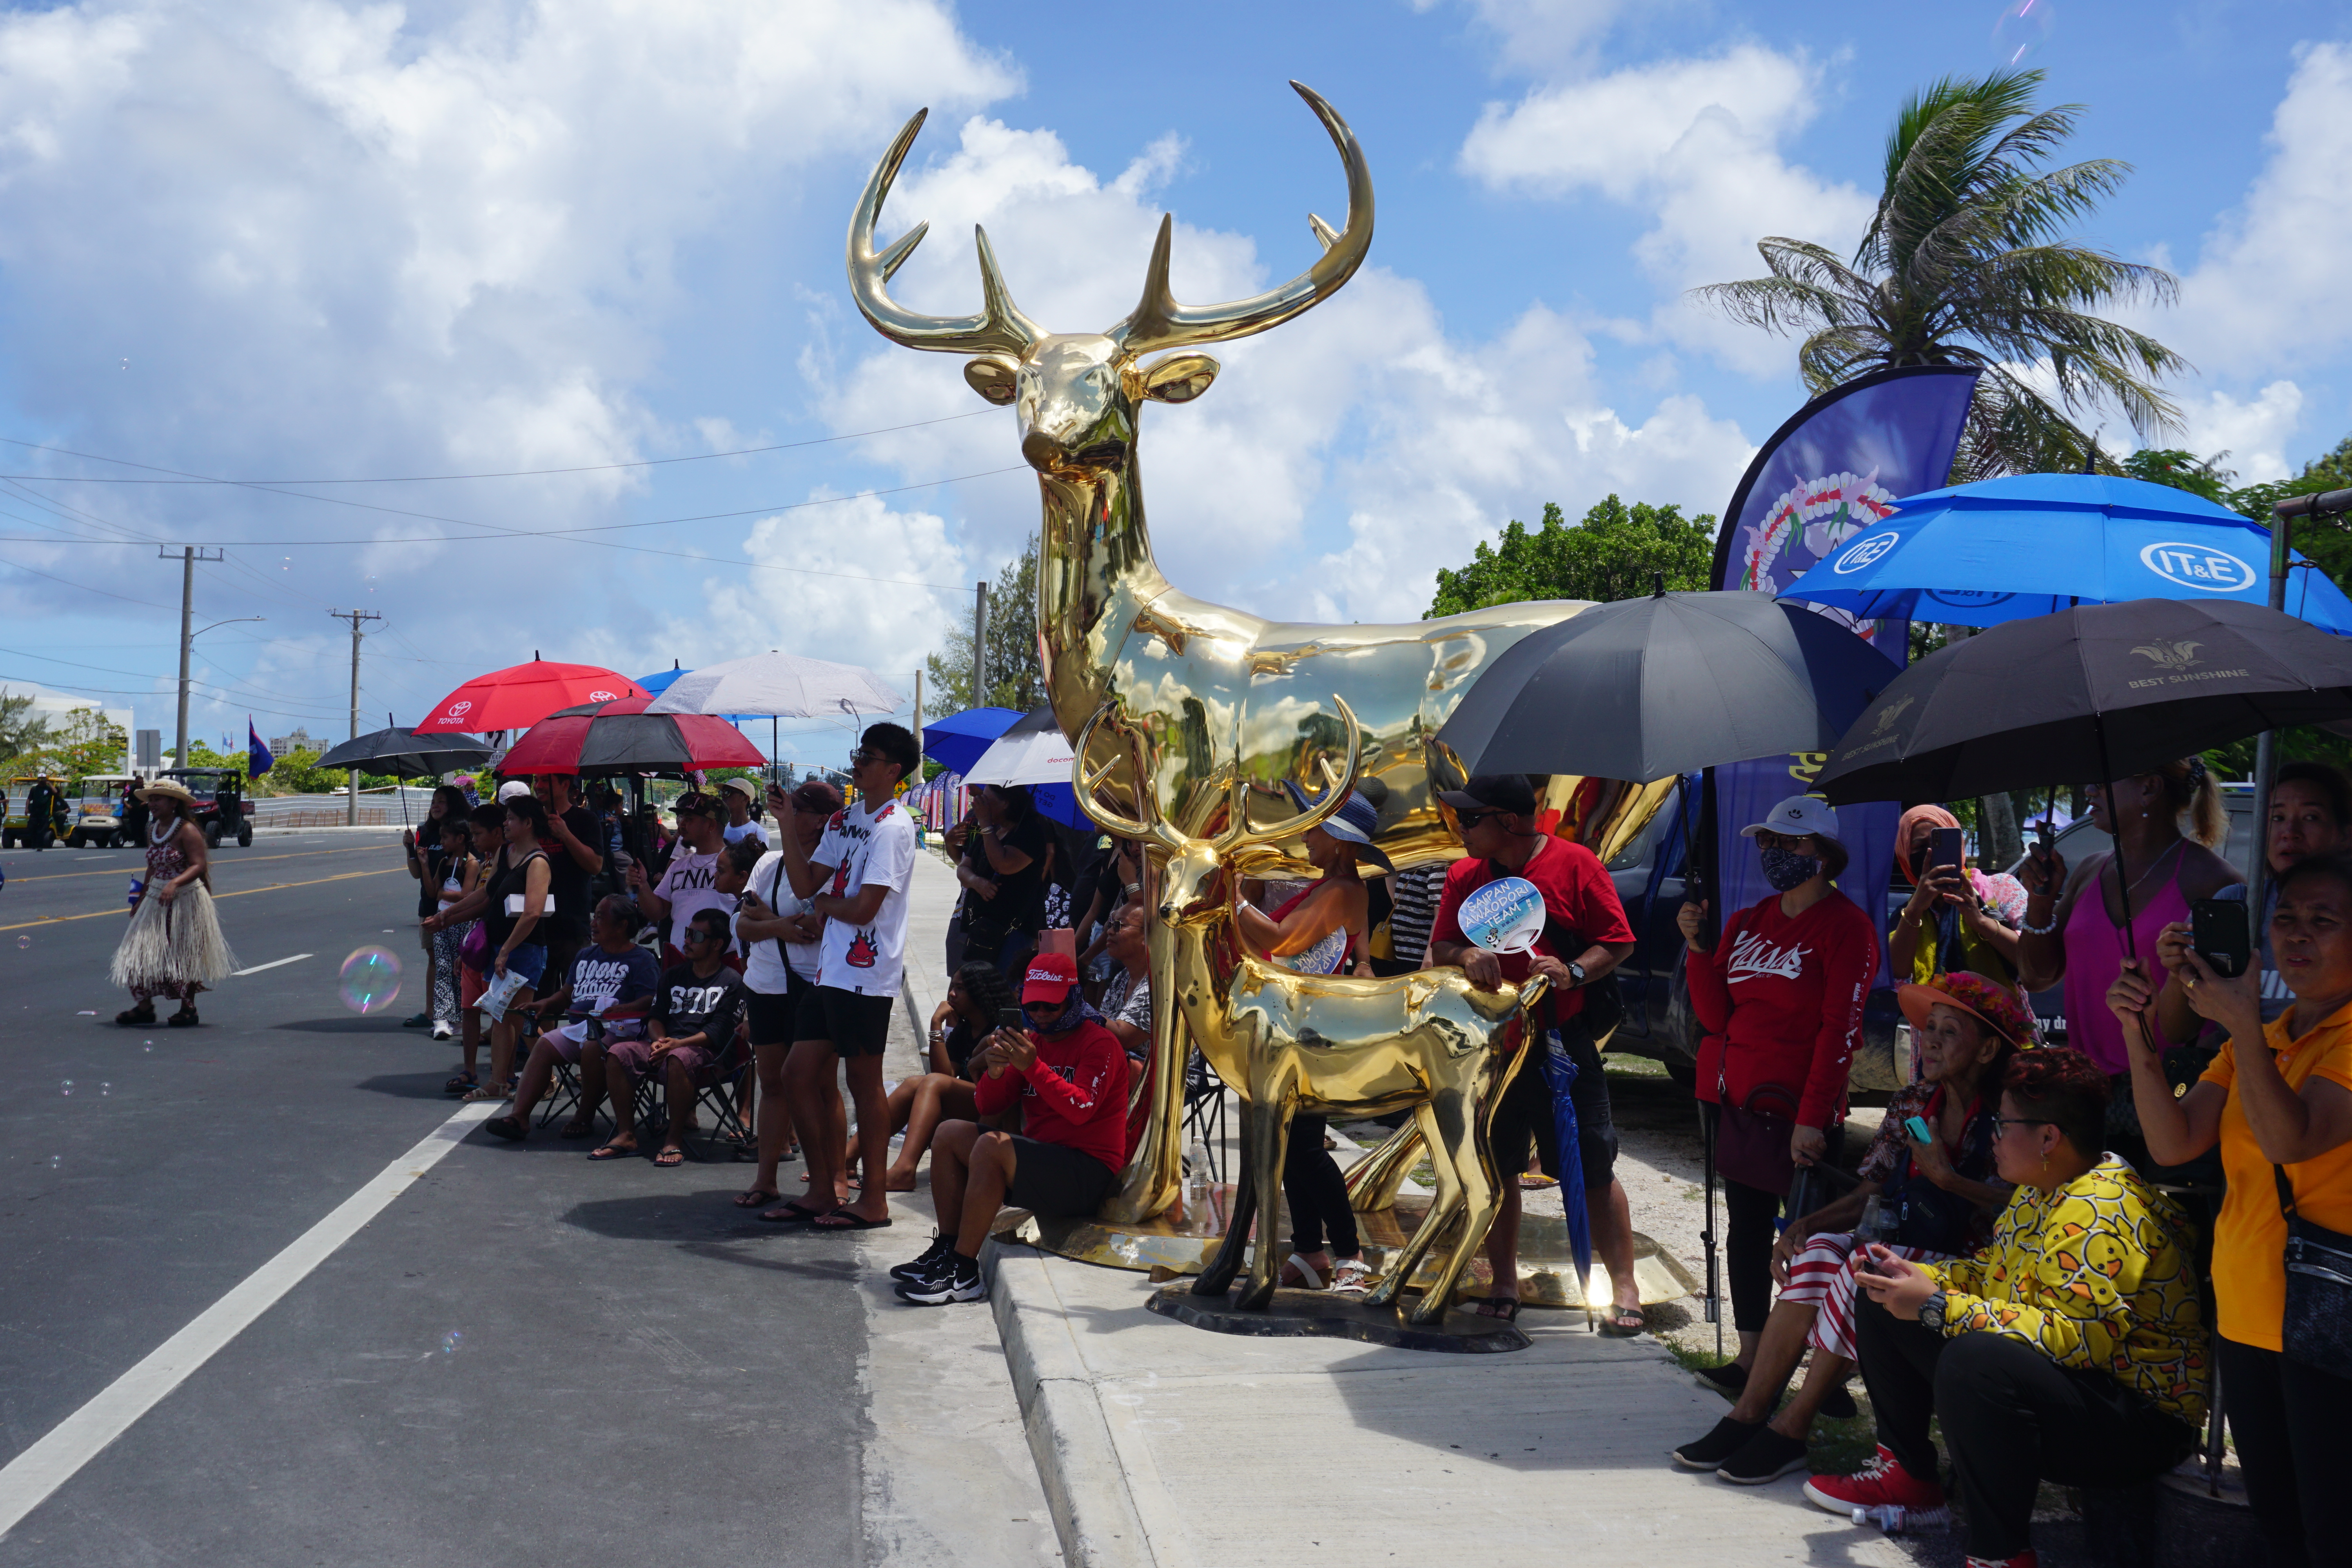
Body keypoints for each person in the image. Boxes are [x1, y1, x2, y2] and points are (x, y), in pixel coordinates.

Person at [1806, 1049, 2207, 1568]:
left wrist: (1937, 1308)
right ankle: (1909, 1480)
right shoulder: (2039, 1190)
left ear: (2049, 1138)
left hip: (2143, 1420)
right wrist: (1922, 1279)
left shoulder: (2100, 1209)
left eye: (2003, 1122)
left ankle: (2000, 1555)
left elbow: (2078, 1338)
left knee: (1974, 1361)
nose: (1992, 1134)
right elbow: (1995, 1274)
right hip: (2082, 1389)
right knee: (1883, 1291)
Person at [1674, 970, 2025, 1484]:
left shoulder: (2007, 1117)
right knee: (1819, 1250)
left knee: (1863, 1266)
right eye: (1930, 1028)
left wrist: (1948, 1180)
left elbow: (2022, 1203)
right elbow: (1870, 1190)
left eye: (1949, 1031)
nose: (1930, 1039)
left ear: (1990, 1049)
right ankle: (1749, 1413)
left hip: (1976, 1264)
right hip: (1914, 1243)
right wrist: (1803, 1226)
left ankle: (1793, 1426)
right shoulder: (1913, 1104)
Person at [2109, 850, 2352, 1566]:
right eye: (2285, 919)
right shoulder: (2270, 1037)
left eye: (2324, 921)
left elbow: (2290, 1140)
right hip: (2249, 1313)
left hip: (2326, 1325)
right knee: (2278, 1524)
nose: (2298, 935)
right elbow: (2174, 1142)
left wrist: (2242, 1027)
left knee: (2334, 1530)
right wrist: (2137, 1032)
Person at [1431, 773, 1642, 1330]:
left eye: (1470, 818)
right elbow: (1441, 946)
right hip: (1493, 1048)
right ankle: (1504, 1281)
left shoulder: (1576, 864)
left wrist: (1572, 972)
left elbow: (1618, 941)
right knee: (1497, 1168)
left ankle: (1624, 1285)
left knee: (1592, 1165)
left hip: (1562, 1043)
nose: (1461, 829)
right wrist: (1464, 956)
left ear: (1507, 821)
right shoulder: (1463, 876)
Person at [1678, 794, 1876, 1367]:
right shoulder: (1747, 921)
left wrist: (1811, 1120)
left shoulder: (1848, 928)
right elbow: (1717, 1017)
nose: (1775, 852)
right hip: (1740, 1103)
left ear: (1824, 853)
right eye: (1767, 841)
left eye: (1790, 842)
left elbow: (1840, 1031)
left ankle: (1822, 1370)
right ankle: (1751, 1358)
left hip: (1802, 1114)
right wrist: (1696, 949)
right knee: (1747, 1230)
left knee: (1813, 1242)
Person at [893, 953, 1130, 1305]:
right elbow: (987, 1107)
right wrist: (996, 1071)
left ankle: (964, 1271)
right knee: (950, 1133)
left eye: (1050, 1006)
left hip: (1089, 1172)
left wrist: (1032, 1067)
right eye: (1032, 1005)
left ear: (1074, 998)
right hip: (1047, 1161)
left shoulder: (1100, 1044)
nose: (1039, 1014)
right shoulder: (1031, 1041)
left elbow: (1080, 1110)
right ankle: (947, 1249)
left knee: (991, 1146)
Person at [769, 724, 922, 1231]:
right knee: (796, 1073)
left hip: (866, 971)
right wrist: (789, 823)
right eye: (859, 754)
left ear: (894, 772)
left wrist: (826, 907)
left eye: (869, 757)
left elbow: (861, 908)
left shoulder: (895, 827)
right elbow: (803, 882)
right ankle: (820, 1187)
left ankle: (873, 1200)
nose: (858, 763)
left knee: (863, 1083)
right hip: (831, 970)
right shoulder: (846, 819)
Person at [1234, 786, 1385, 1295]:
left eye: (1314, 824)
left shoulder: (1342, 891)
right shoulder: (1334, 884)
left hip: (1312, 1031)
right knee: (1292, 1146)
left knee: (1302, 1147)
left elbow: (1279, 941)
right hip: (1296, 1025)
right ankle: (1308, 1249)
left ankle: (1350, 1254)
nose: (1304, 832)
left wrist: (1228, 900)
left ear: (1341, 839)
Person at [2014, 758, 2238, 1081]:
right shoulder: (2089, 871)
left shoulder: (2214, 882)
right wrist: (2039, 901)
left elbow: (2231, 1009)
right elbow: (2037, 978)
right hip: (2089, 1092)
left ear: (2149, 788)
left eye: (2102, 782)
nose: (2089, 791)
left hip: (2175, 1094)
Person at [2151, 759, 2350, 1038]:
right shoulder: (2235, 906)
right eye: (2277, 818)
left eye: (2311, 817)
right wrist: (2178, 971)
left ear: (2345, 834)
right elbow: (2177, 1032)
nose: (2290, 832)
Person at [731, 779, 840, 1211]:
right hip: (765, 982)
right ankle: (766, 1179)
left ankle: (835, 1176)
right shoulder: (769, 864)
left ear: (820, 820)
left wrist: (770, 920)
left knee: (822, 1086)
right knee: (773, 1082)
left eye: (798, 809)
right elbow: (743, 925)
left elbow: (816, 926)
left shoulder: (834, 865)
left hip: (814, 984)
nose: (789, 814)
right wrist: (780, 925)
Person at [482, 895, 660, 1142]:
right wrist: (545, 1003)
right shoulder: (586, 956)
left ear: (622, 926)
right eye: (594, 916)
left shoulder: (641, 960)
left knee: (591, 1046)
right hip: (581, 1026)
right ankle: (519, 1117)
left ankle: (584, 1115)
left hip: (619, 1029)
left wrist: (622, 1009)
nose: (593, 923)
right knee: (544, 1045)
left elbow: (650, 1000)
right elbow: (567, 994)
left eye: (601, 917)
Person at [593, 907, 751, 1166]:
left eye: (697, 937)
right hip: (667, 1045)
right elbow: (655, 1016)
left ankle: (673, 1139)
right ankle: (626, 1134)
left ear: (717, 944)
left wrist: (678, 1045)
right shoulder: (672, 976)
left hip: (708, 1053)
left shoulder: (732, 982)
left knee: (678, 1058)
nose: (687, 941)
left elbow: (719, 1032)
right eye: (688, 933)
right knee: (618, 1053)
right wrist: (659, 1040)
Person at [424, 795, 552, 1100]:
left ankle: (547, 1077)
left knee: (520, 1021)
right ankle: (498, 1081)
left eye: (510, 819)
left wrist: (507, 949)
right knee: (501, 1017)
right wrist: (446, 915)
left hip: (523, 950)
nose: (505, 823)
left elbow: (533, 912)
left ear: (528, 823)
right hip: (500, 948)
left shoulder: (538, 862)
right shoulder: (507, 854)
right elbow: (485, 897)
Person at [862, 960, 1019, 1194]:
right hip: (973, 1102)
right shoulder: (966, 1028)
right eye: (952, 987)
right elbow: (946, 1076)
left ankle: (905, 1170)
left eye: (961, 989)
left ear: (981, 992)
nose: (952, 994)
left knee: (931, 1083)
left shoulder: (998, 1031)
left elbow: (944, 1081)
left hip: (992, 1109)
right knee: (916, 1082)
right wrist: (937, 1025)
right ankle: (851, 1157)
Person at [109, 779, 237, 1027]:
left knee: (183, 953)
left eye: (158, 799)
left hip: (186, 899)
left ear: (173, 802)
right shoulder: (153, 828)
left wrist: (174, 883)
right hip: (156, 898)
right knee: (138, 950)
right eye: (151, 799)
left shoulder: (187, 830)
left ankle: (188, 1010)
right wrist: (142, 898)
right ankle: (144, 1008)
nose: (152, 804)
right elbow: (152, 866)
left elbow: (199, 865)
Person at [1889, 804, 2026, 993]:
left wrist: (1980, 921)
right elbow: (1896, 976)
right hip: (1934, 1021)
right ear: (1904, 855)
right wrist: (1915, 911)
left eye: (1940, 846)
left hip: (2002, 1019)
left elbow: (2033, 960)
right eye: (1920, 847)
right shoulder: (1907, 914)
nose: (1932, 853)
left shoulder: (2001, 888)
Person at [439, 803, 508, 1094]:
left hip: (495, 946)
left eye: (478, 834)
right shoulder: (486, 863)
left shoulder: (508, 861)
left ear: (498, 832)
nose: (475, 840)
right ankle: (470, 1070)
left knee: (503, 1014)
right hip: (476, 943)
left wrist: (447, 916)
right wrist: (463, 947)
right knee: (469, 1009)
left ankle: (502, 1074)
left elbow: (486, 902)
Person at [957, 783, 1051, 975]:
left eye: (986, 799)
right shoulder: (995, 830)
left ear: (1006, 803)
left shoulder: (1030, 832)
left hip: (1012, 929)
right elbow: (963, 868)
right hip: (981, 926)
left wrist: (985, 824)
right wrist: (977, 882)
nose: (980, 804)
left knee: (1001, 988)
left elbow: (1003, 864)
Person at [631, 790, 729, 969]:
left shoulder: (734, 866)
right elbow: (658, 912)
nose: (682, 824)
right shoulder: (678, 866)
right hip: (680, 967)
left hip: (722, 968)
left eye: (689, 819)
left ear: (711, 826)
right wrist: (642, 884)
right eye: (682, 817)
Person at [401, 784, 466, 1030]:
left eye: (442, 802)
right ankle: (432, 1011)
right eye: (434, 802)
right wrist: (409, 849)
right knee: (434, 958)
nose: (436, 806)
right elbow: (417, 873)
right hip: (429, 904)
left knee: (457, 960)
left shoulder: (463, 832)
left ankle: (457, 1012)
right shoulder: (425, 832)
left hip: (459, 907)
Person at [532, 774, 604, 982]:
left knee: (578, 998)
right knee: (540, 1006)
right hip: (535, 926)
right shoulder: (532, 821)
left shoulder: (585, 820)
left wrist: (565, 834)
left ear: (565, 785)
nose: (539, 786)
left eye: (546, 781)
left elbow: (595, 866)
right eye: (536, 781)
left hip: (572, 926)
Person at [425, 816, 480, 1040]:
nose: (443, 842)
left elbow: (466, 895)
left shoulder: (472, 863)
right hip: (441, 920)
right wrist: (423, 864)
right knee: (443, 967)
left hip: (460, 921)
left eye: (446, 837)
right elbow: (432, 891)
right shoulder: (444, 862)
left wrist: (443, 894)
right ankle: (440, 1018)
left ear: (461, 838)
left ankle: (455, 1018)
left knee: (458, 972)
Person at [1376, 860, 1446, 977]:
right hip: (1402, 954)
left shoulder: (1436, 866)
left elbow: (1441, 914)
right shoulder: (1412, 864)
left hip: (1421, 958)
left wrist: (1429, 958)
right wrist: (1389, 861)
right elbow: (1397, 902)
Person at [719, 776, 769, 849]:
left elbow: (761, 860)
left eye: (728, 792)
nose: (723, 796)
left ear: (745, 799)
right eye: (722, 792)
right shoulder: (721, 830)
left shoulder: (758, 832)